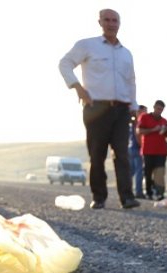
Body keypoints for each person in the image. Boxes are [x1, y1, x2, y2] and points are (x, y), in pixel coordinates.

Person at [59, 9, 140, 210]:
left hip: (121, 109)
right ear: (100, 22)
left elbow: (131, 81)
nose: (111, 24)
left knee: (122, 154)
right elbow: (65, 63)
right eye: (107, 20)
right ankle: (99, 196)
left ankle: (127, 197)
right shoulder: (88, 45)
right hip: (96, 108)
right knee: (97, 155)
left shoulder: (126, 53)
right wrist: (77, 87)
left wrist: (134, 106)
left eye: (115, 20)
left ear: (119, 23)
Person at [138, 100, 167, 200]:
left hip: (161, 151)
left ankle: (160, 192)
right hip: (148, 151)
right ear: (154, 107)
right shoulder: (144, 117)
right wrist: (153, 129)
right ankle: (149, 192)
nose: (159, 111)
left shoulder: (164, 121)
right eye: (158, 109)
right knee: (148, 173)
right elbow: (139, 130)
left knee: (160, 173)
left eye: (161, 109)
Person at [129, 105, 148, 198]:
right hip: (137, 149)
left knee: (131, 171)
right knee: (139, 171)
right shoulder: (138, 123)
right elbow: (138, 137)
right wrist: (143, 147)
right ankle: (138, 192)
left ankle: (127, 190)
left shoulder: (132, 123)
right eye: (144, 112)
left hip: (130, 149)